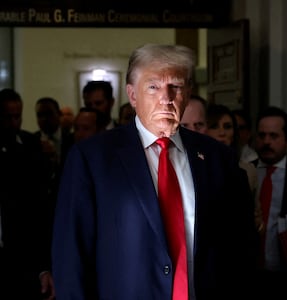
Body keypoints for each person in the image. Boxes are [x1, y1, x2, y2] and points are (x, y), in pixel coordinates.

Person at [52, 43, 256, 299]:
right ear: (133, 95)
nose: (166, 98)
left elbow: (242, 249)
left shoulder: (217, 158)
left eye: (176, 86)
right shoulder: (92, 159)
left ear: (189, 92)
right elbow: (71, 256)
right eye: (153, 86)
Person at [0, 88, 55, 299]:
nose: (14, 122)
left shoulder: (31, 147)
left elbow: (39, 208)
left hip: (22, 257)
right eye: (7, 116)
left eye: (18, 116)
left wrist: (43, 267)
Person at [253, 106, 287, 291]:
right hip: (249, 272)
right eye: (262, 135)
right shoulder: (244, 172)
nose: (266, 142)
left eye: (273, 136)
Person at [206, 103, 258, 194]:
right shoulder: (196, 168)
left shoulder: (248, 170)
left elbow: (255, 207)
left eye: (227, 127)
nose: (222, 133)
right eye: (214, 126)